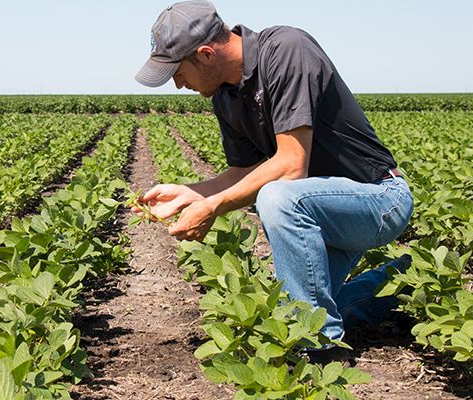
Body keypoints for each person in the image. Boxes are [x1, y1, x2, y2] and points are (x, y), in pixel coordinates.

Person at [132, 0, 414, 360]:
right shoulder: (225, 96)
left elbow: (291, 164)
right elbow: (244, 170)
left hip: (376, 198)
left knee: (278, 198)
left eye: (178, 72)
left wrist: (213, 206)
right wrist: (190, 193)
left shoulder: (286, 49)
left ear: (205, 54)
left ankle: (320, 349)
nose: (177, 84)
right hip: (320, 208)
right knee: (296, 310)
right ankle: (404, 281)